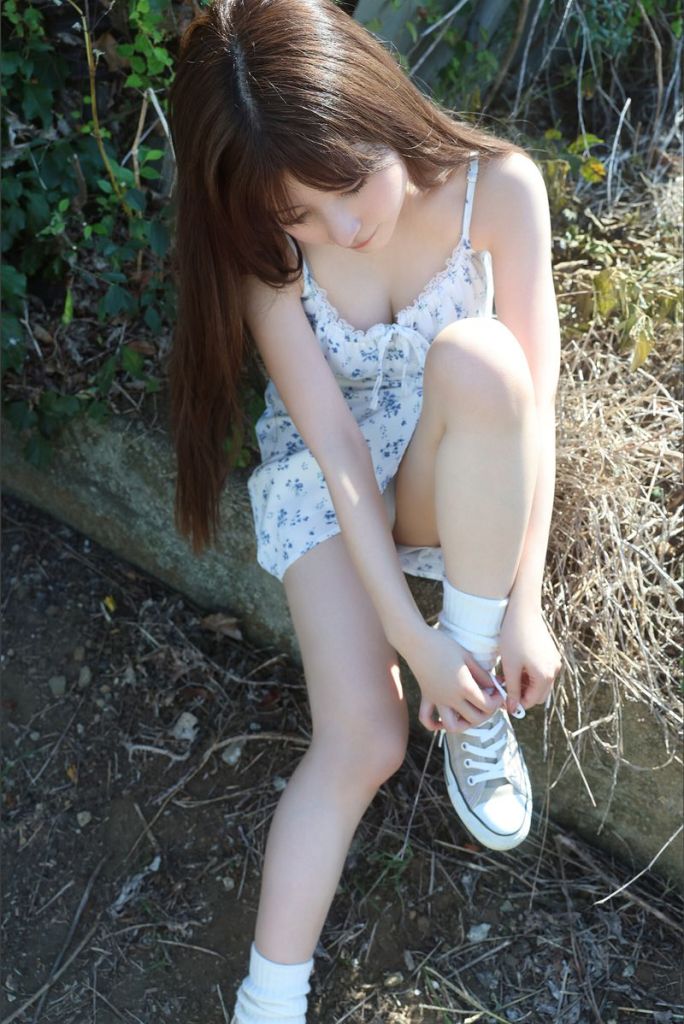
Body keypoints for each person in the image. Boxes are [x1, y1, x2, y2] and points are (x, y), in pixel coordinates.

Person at [168, 0, 563, 1019]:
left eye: (343, 182)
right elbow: (340, 459)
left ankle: (472, 696)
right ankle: (268, 1000)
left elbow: (535, 415)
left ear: (372, 100)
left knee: (482, 360)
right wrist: (404, 641)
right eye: (298, 212)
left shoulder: (501, 193)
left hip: (451, 462)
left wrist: (520, 609)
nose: (339, 226)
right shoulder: (276, 261)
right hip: (330, 488)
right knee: (365, 741)